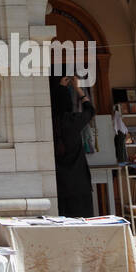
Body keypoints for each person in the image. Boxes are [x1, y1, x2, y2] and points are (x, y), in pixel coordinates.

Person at [50, 73, 95, 217]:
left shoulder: (48, 123)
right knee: (82, 219)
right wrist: (78, 89)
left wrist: (60, 89)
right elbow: (90, 110)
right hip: (79, 181)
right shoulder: (73, 121)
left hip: (59, 183)